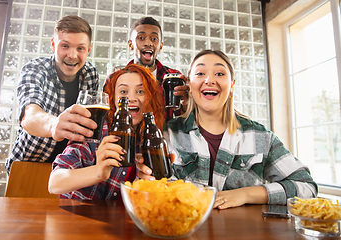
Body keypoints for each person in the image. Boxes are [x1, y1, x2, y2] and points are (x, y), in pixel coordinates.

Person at [136, 49, 318, 209]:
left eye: (220, 74)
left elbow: (306, 187)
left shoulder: (261, 137)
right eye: (200, 73)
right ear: (189, 86)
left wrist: (245, 195)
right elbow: (155, 192)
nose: (209, 80)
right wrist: (147, 182)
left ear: (231, 85)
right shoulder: (167, 135)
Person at [48, 64, 164, 200]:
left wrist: (152, 183)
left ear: (149, 98)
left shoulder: (149, 139)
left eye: (140, 91)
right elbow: (55, 183)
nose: (131, 98)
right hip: (77, 217)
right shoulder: (94, 130)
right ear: (113, 99)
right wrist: (98, 172)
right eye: (123, 91)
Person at [5, 15, 100, 174]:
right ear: (53, 44)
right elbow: (29, 116)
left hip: (70, 170)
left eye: (80, 48)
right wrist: (53, 125)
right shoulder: (35, 69)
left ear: (88, 49)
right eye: (65, 46)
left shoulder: (91, 74)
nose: (72, 55)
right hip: (28, 166)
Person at [103, 16, 189, 119]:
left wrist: (187, 104)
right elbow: (106, 119)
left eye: (154, 39)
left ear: (160, 46)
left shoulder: (174, 77)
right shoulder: (113, 79)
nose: (148, 43)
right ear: (130, 44)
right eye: (141, 38)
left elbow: (182, 122)